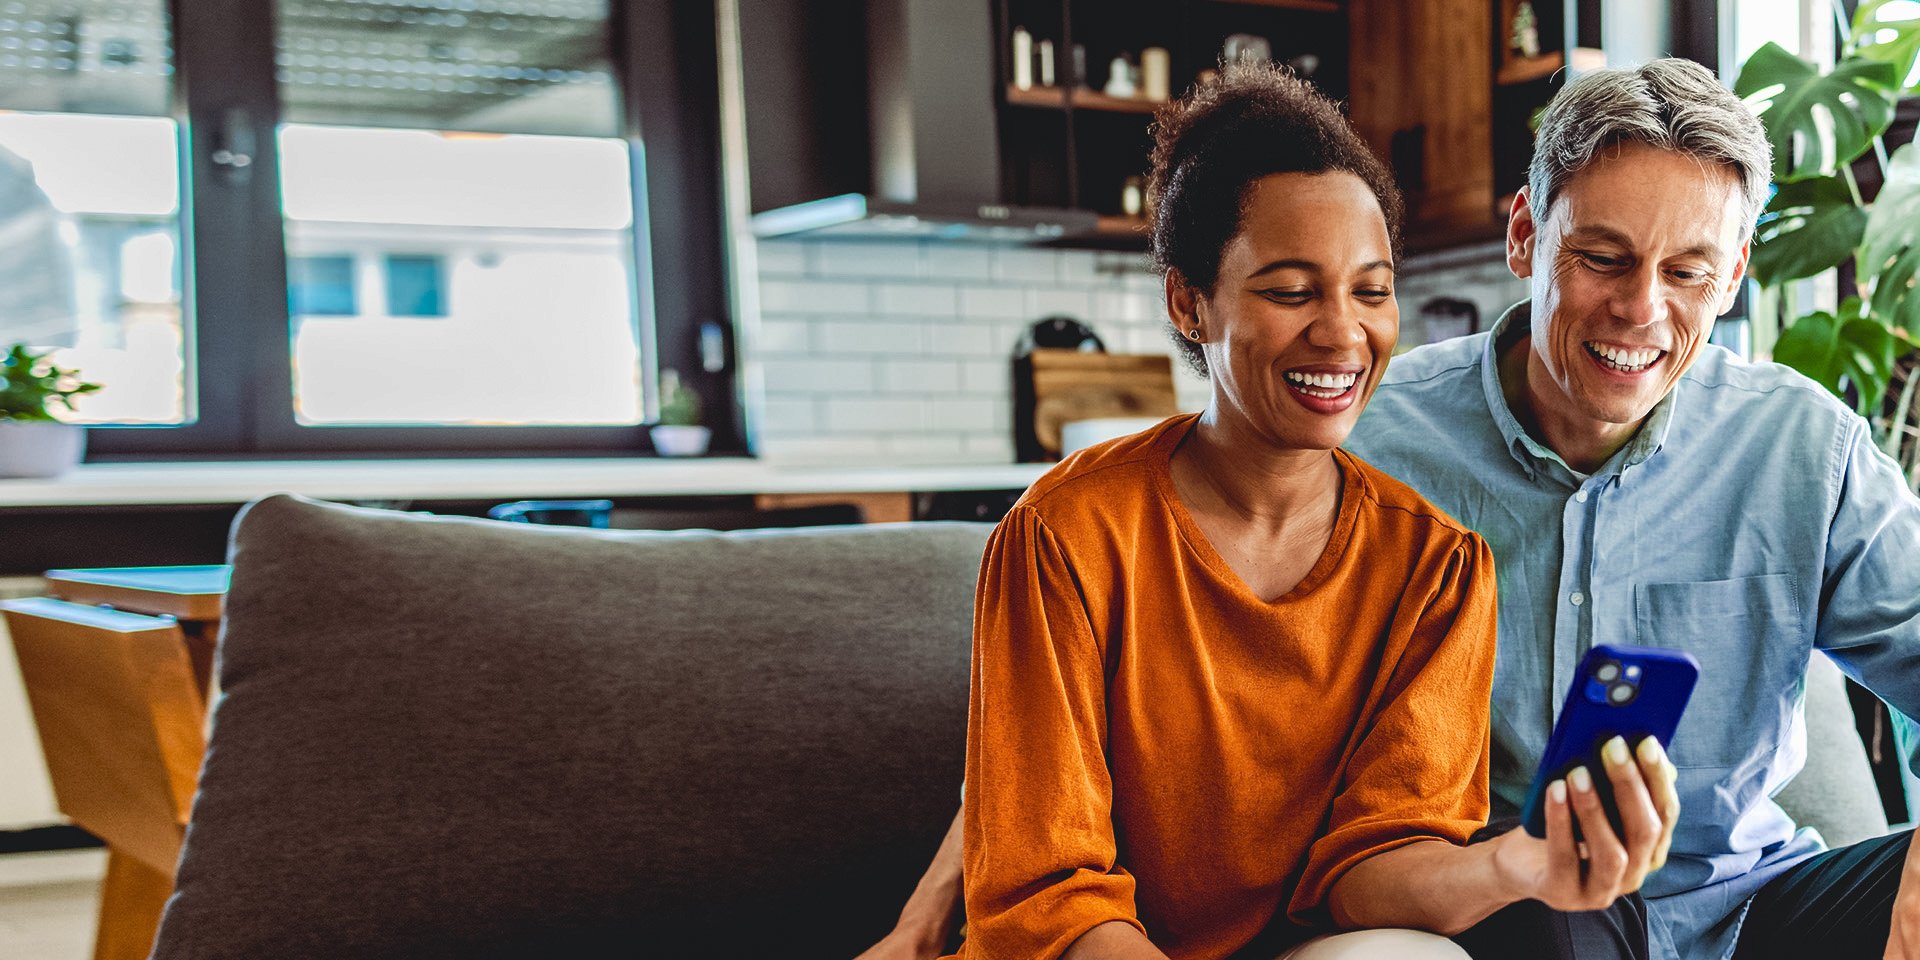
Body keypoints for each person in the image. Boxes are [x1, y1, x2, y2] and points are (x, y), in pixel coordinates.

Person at [862, 56, 1920, 960]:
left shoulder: (1803, 450)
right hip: (1500, 912)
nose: (1642, 309)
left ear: (1735, 274)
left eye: (1689, 271)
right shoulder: (1350, 433)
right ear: (1524, 236)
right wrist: (926, 920)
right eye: (1601, 257)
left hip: (1747, 900)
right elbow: (1078, 713)